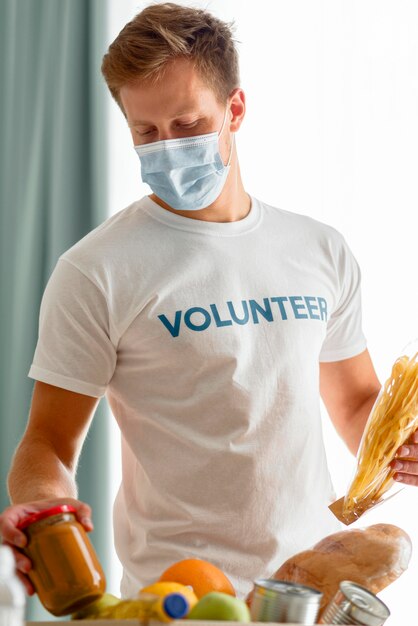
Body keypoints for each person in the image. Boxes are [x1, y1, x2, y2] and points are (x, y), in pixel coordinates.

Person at [1, 1, 417, 602]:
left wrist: (401, 446)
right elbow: (46, 442)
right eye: (146, 132)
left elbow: (356, 404)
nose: (167, 148)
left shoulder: (319, 250)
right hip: (177, 601)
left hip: (319, 592)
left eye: (187, 124)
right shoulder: (97, 270)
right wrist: (43, 507)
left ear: (235, 109)